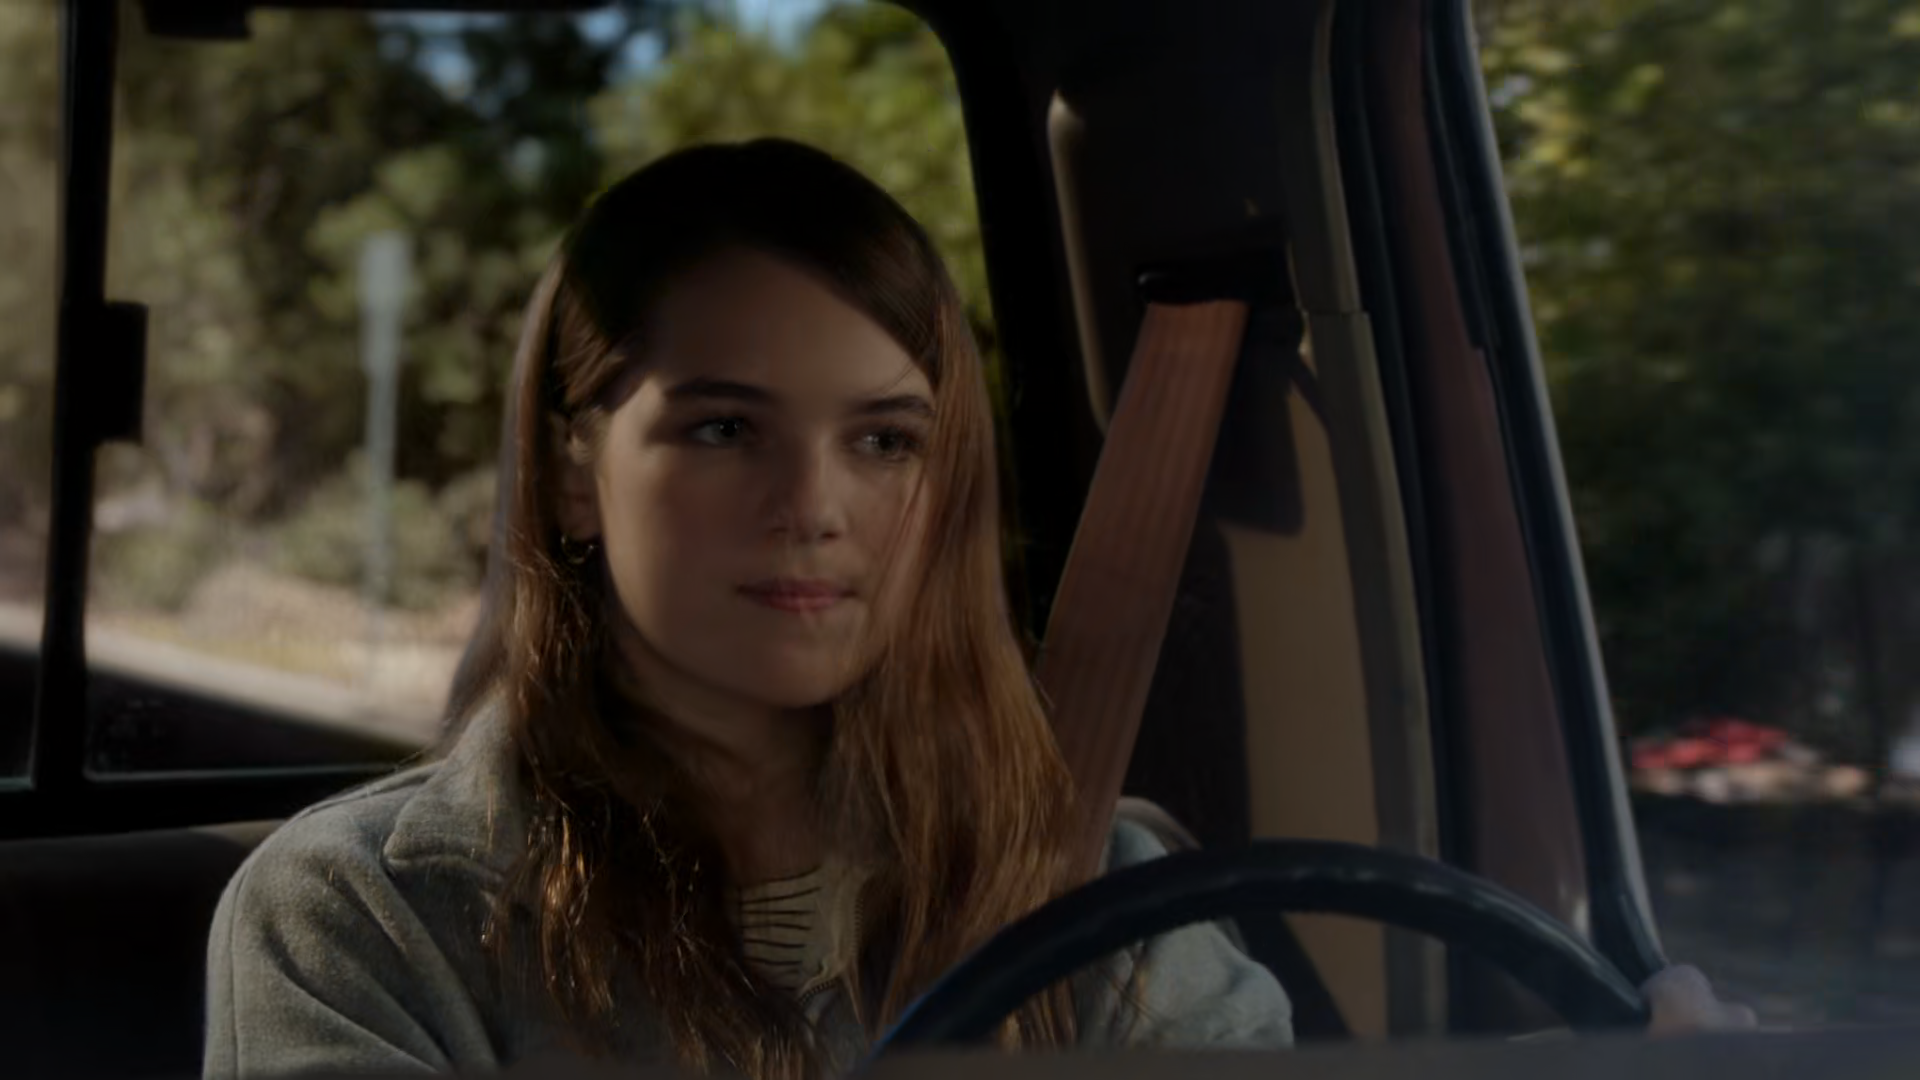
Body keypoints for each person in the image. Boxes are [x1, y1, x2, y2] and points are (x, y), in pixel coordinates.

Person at [202, 138, 1751, 1079]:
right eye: (724, 428)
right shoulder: (359, 920)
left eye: (885, 441)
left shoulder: (1104, 896)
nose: (815, 505)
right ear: (567, 474)